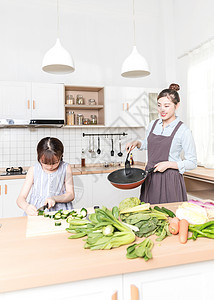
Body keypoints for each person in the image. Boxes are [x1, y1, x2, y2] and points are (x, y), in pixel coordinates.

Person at [126, 83, 197, 204]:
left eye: (166, 105)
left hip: (170, 180)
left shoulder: (183, 131)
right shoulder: (153, 124)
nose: (162, 110)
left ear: (177, 106)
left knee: (170, 217)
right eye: (159, 105)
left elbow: (192, 162)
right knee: (149, 216)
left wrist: (169, 164)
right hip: (150, 178)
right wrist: (137, 143)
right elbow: (149, 145)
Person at [17, 137, 75, 216]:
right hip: (37, 212)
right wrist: (26, 207)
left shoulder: (66, 168)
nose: (50, 167)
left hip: (61, 211)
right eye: (45, 163)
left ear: (61, 156)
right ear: (39, 157)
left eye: (55, 162)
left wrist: (54, 198)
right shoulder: (33, 170)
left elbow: (71, 195)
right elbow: (20, 199)